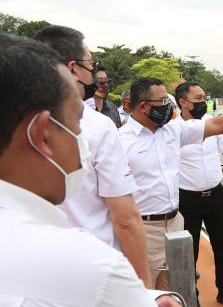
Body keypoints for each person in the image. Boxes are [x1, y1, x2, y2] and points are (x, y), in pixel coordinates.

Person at [0, 33, 194, 307]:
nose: (81, 139)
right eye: (76, 123)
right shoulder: (90, 265)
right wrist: (157, 300)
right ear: (41, 134)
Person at [119, 77, 223, 291]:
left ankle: (214, 294)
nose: (168, 106)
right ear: (143, 106)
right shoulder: (120, 141)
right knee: (148, 289)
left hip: (175, 222)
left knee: (178, 286)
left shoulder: (172, 131)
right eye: (163, 101)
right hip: (146, 228)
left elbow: (217, 125)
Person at [34, 25, 152, 287]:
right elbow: (125, 219)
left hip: (37, 271)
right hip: (97, 269)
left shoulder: (16, 119)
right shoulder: (97, 125)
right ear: (73, 69)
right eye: (90, 64)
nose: (95, 75)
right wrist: (145, 287)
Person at [176, 82, 223, 307]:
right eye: (198, 98)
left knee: (222, 247)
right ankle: (190, 294)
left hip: (215, 195)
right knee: (190, 250)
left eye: (204, 97)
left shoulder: (212, 124)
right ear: (183, 102)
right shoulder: (173, 129)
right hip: (187, 199)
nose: (203, 102)